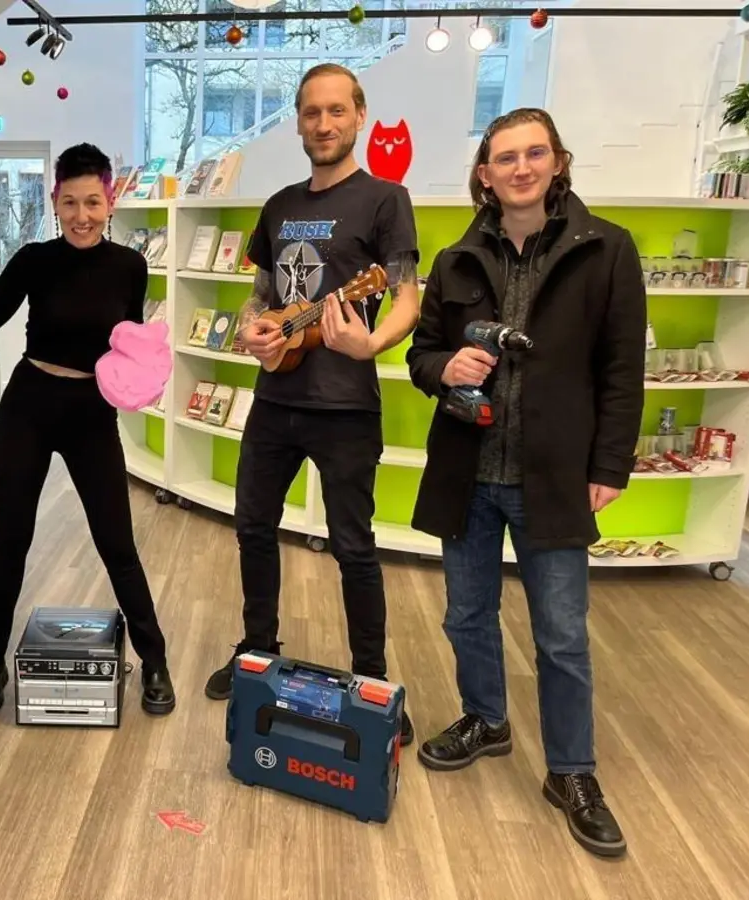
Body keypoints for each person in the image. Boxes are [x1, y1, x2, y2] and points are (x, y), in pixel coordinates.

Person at [404, 108, 645, 859]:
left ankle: (571, 772)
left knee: (563, 637)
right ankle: (487, 719)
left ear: (558, 161)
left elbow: (621, 371)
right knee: (465, 618)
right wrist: (444, 368)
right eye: (504, 157)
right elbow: (422, 354)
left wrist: (609, 466)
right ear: (484, 173)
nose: (520, 167)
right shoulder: (455, 258)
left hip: (553, 476)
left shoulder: (605, 250)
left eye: (534, 153)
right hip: (467, 474)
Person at [201, 63, 423, 747]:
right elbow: (262, 297)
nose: (322, 124)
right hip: (275, 397)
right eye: (309, 112)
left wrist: (372, 343)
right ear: (297, 121)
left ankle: (373, 683)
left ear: (359, 116)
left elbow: (408, 293)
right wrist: (252, 329)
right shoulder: (277, 206)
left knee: (354, 547)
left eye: (335, 111)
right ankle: (256, 650)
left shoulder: (387, 199)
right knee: (252, 528)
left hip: (346, 407)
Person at [0, 142, 175, 718]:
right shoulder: (33, 259)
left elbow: (128, 341)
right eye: (71, 202)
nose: (83, 215)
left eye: (93, 201)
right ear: (55, 201)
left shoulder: (130, 266)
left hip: (92, 412)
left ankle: (156, 659)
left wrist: (144, 375)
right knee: (11, 541)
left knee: (117, 543)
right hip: (31, 404)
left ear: (111, 201)